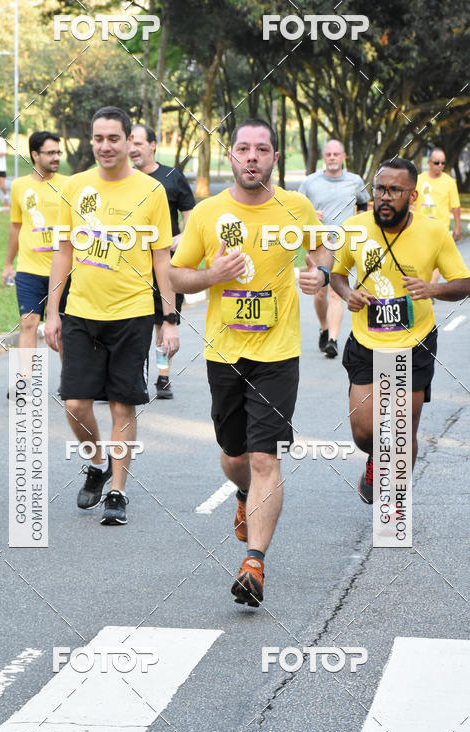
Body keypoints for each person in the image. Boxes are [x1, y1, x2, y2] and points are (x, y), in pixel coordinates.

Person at [170, 118, 333, 607]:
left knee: (265, 457)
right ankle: (243, 497)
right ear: (232, 156)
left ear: (275, 159)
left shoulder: (296, 207)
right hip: (225, 351)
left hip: (279, 353)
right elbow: (175, 276)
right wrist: (211, 274)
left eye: (262, 149)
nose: (252, 157)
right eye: (243, 149)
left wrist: (318, 273)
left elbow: (323, 245)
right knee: (234, 456)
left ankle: (254, 564)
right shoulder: (207, 213)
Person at [44, 106, 178, 526]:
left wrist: (169, 318)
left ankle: (117, 491)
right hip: (81, 313)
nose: (105, 146)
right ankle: (97, 463)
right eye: (98, 138)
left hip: (132, 313)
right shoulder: (74, 187)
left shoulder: (151, 191)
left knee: (123, 404)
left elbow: (162, 259)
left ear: (128, 142)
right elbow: (63, 252)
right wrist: (52, 312)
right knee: (75, 403)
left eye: (114, 139)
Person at [330, 158, 470, 504]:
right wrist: (348, 293)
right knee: (364, 431)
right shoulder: (355, 227)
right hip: (366, 341)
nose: (385, 196)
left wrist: (432, 289)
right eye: (380, 188)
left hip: (414, 342)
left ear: (412, 196)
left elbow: (467, 285)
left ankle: (393, 503)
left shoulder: (433, 232)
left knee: (401, 429)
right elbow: (337, 274)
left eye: (395, 190)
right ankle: (373, 457)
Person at [128, 124, 195, 399]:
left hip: (166, 263)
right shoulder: (124, 179)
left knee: (164, 321)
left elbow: (191, 214)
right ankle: (137, 376)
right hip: (133, 263)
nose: (133, 149)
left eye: (139, 143)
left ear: (153, 145)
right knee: (136, 320)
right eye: (130, 143)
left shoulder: (171, 177)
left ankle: (163, 376)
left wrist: (182, 238)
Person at [298, 140, 369, 358]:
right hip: (319, 243)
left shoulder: (355, 181)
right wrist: (310, 212)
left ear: (343, 156)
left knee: (336, 292)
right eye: (328, 154)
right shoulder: (310, 182)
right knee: (320, 295)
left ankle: (332, 340)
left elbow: (364, 204)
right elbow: (298, 209)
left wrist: (358, 222)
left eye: (336, 154)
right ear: (323, 157)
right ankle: (324, 326)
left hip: (344, 244)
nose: (332, 157)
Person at [2, 131, 70, 355]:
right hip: (29, 270)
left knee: (63, 328)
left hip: (63, 270)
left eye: (58, 152)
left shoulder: (70, 185)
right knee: (28, 323)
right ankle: (25, 386)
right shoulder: (19, 186)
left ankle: (68, 386)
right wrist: (8, 264)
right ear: (34, 154)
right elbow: (16, 227)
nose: (56, 157)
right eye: (50, 153)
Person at [415, 148, 461, 284]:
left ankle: (430, 287)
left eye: (443, 163)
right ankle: (423, 285)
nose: (440, 166)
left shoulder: (450, 182)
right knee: (422, 259)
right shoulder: (419, 179)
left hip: (440, 228)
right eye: (436, 162)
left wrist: (458, 227)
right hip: (420, 227)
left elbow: (455, 206)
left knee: (437, 260)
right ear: (429, 162)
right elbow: (410, 202)